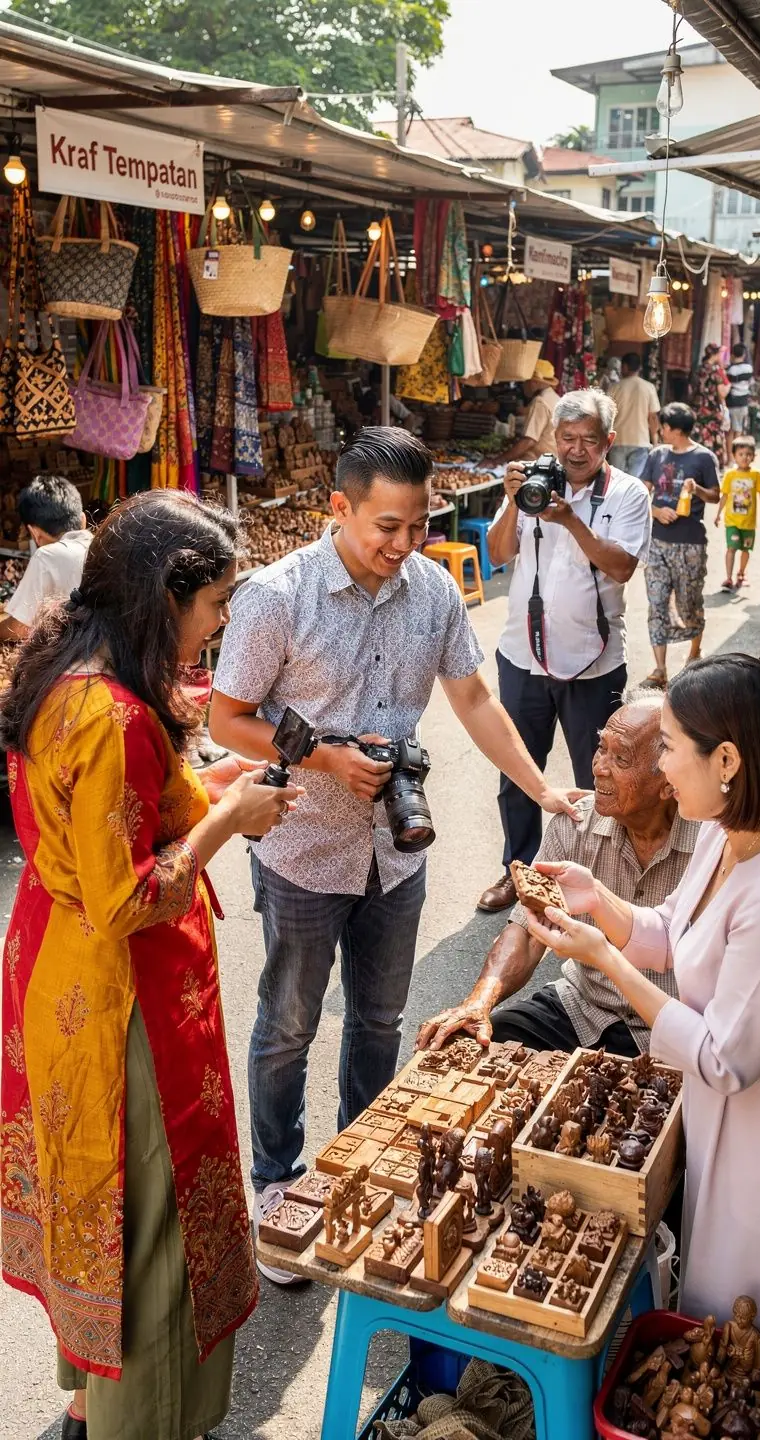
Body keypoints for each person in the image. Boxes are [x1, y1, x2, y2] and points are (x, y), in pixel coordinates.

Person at [208, 427, 582, 1283]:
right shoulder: (278, 595)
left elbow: (476, 697)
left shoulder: (432, 590)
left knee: (379, 1021)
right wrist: (326, 758)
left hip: (396, 852)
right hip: (302, 843)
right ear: (338, 509)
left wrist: (540, 789)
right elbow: (225, 720)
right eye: (386, 527)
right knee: (288, 1026)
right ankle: (276, 1181)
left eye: (418, 525)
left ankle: (359, 1166)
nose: (404, 546)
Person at [0, 493, 298, 1440]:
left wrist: (203, 789)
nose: (218, 622)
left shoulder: (66, 659)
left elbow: (113, 815)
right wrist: (228, 821)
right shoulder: (113, 712)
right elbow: (125, 894)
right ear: (162, 597)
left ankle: (91, 1393)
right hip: (121, 996)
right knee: (149, 1215)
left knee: (94, 1192)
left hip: (61, 971)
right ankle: (146, 1419)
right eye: (212, 602)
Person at [522, 655, 760, 1349]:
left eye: (670, 748)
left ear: (727, 760)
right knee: (709, 1299)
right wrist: (601, 903)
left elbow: (724, 1057)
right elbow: (671, 933)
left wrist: (604, 958)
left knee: (757, 1328)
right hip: (720, 1123)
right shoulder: (723, 832)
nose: (663, 767)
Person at [416, 692, 698, 1057]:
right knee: (465, 1045)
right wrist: (479, 1001)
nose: (599, 766)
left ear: (668, 779)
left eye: (621, 757)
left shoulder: (711, 844)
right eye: (601, 748)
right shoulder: (575, 826)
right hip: (584, 1007)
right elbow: (530, 930)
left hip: (668, 1023)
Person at [477, 388, 652, 914]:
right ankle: (519, 869)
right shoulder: (533, 483)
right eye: (568, 438)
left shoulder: (626, 494)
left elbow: (621, 567)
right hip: (523, 657)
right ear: (555, 437)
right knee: (517, 772)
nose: (577, 450)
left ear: (609, 443)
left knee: (598, 776)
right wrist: (514, 502)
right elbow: (497, 553)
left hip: (595, 663)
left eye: (589, 441)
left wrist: (570, 520)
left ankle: (594, 880)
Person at [640, 402, 720, 690]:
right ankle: (660, 669)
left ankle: (694, 653)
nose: (660, 430)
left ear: (674, 429)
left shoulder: (704, 457)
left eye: (663, 426)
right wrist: (655, 511)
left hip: (690, 544)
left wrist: (696, 489)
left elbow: (715, 495)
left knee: (689, 603)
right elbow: (641, 493)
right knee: (657, 602)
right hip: (657, 543)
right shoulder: (656, 455)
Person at [0, 475, 92, 642]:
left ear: (34, 532)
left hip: (81, 659)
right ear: (83, 519)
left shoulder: (46, 557)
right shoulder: (102, 544)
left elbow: (19, 629)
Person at [715, 436, 760, 591]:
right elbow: (724, 496)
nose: (745, 457)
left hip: (749, 522)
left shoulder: (756, 475)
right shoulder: (730, 475)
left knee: (746, 549)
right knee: (731, 547)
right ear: (734, 455)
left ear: (753, 456)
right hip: (732, 521)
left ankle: (741, 573)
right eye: (741, 454)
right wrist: (718, 514)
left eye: (748, 454)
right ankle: (728, 578)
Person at [494, 359, 560, 466]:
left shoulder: (541, 401)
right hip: (553, 461)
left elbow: (529, 441)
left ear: (534, 382)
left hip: (538, 464)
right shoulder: (555, 398)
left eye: (526, 381)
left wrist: (496, 461)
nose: (524, 386)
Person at [607, 351, 661, 479]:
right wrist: (655, 442)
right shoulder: (649, 387)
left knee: (616, 481)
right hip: (640, 441)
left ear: (624, 367)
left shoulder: (614, 388)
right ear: (640, 368)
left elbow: (606, 415)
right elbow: (653, 417)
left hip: (618, 440)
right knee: (634, 482)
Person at [691, 342, 729, 469]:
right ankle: (713, 466)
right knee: (714, 438)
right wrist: (728, 386)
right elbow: (722, 394)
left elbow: (691, 389)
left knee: (700, 437)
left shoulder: (699, 369)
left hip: (698, 409)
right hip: (712, 411)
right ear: (715, 354)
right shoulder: (716, 371)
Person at [723, 342, 754, 462]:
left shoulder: (730, 370)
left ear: (732, 354)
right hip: (743, 401)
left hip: (732, 402)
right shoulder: (749, 368)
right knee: (739, 430)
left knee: (730, 431)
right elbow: (750, 383)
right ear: (744, 354)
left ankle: (730, 458)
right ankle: (738, 457)